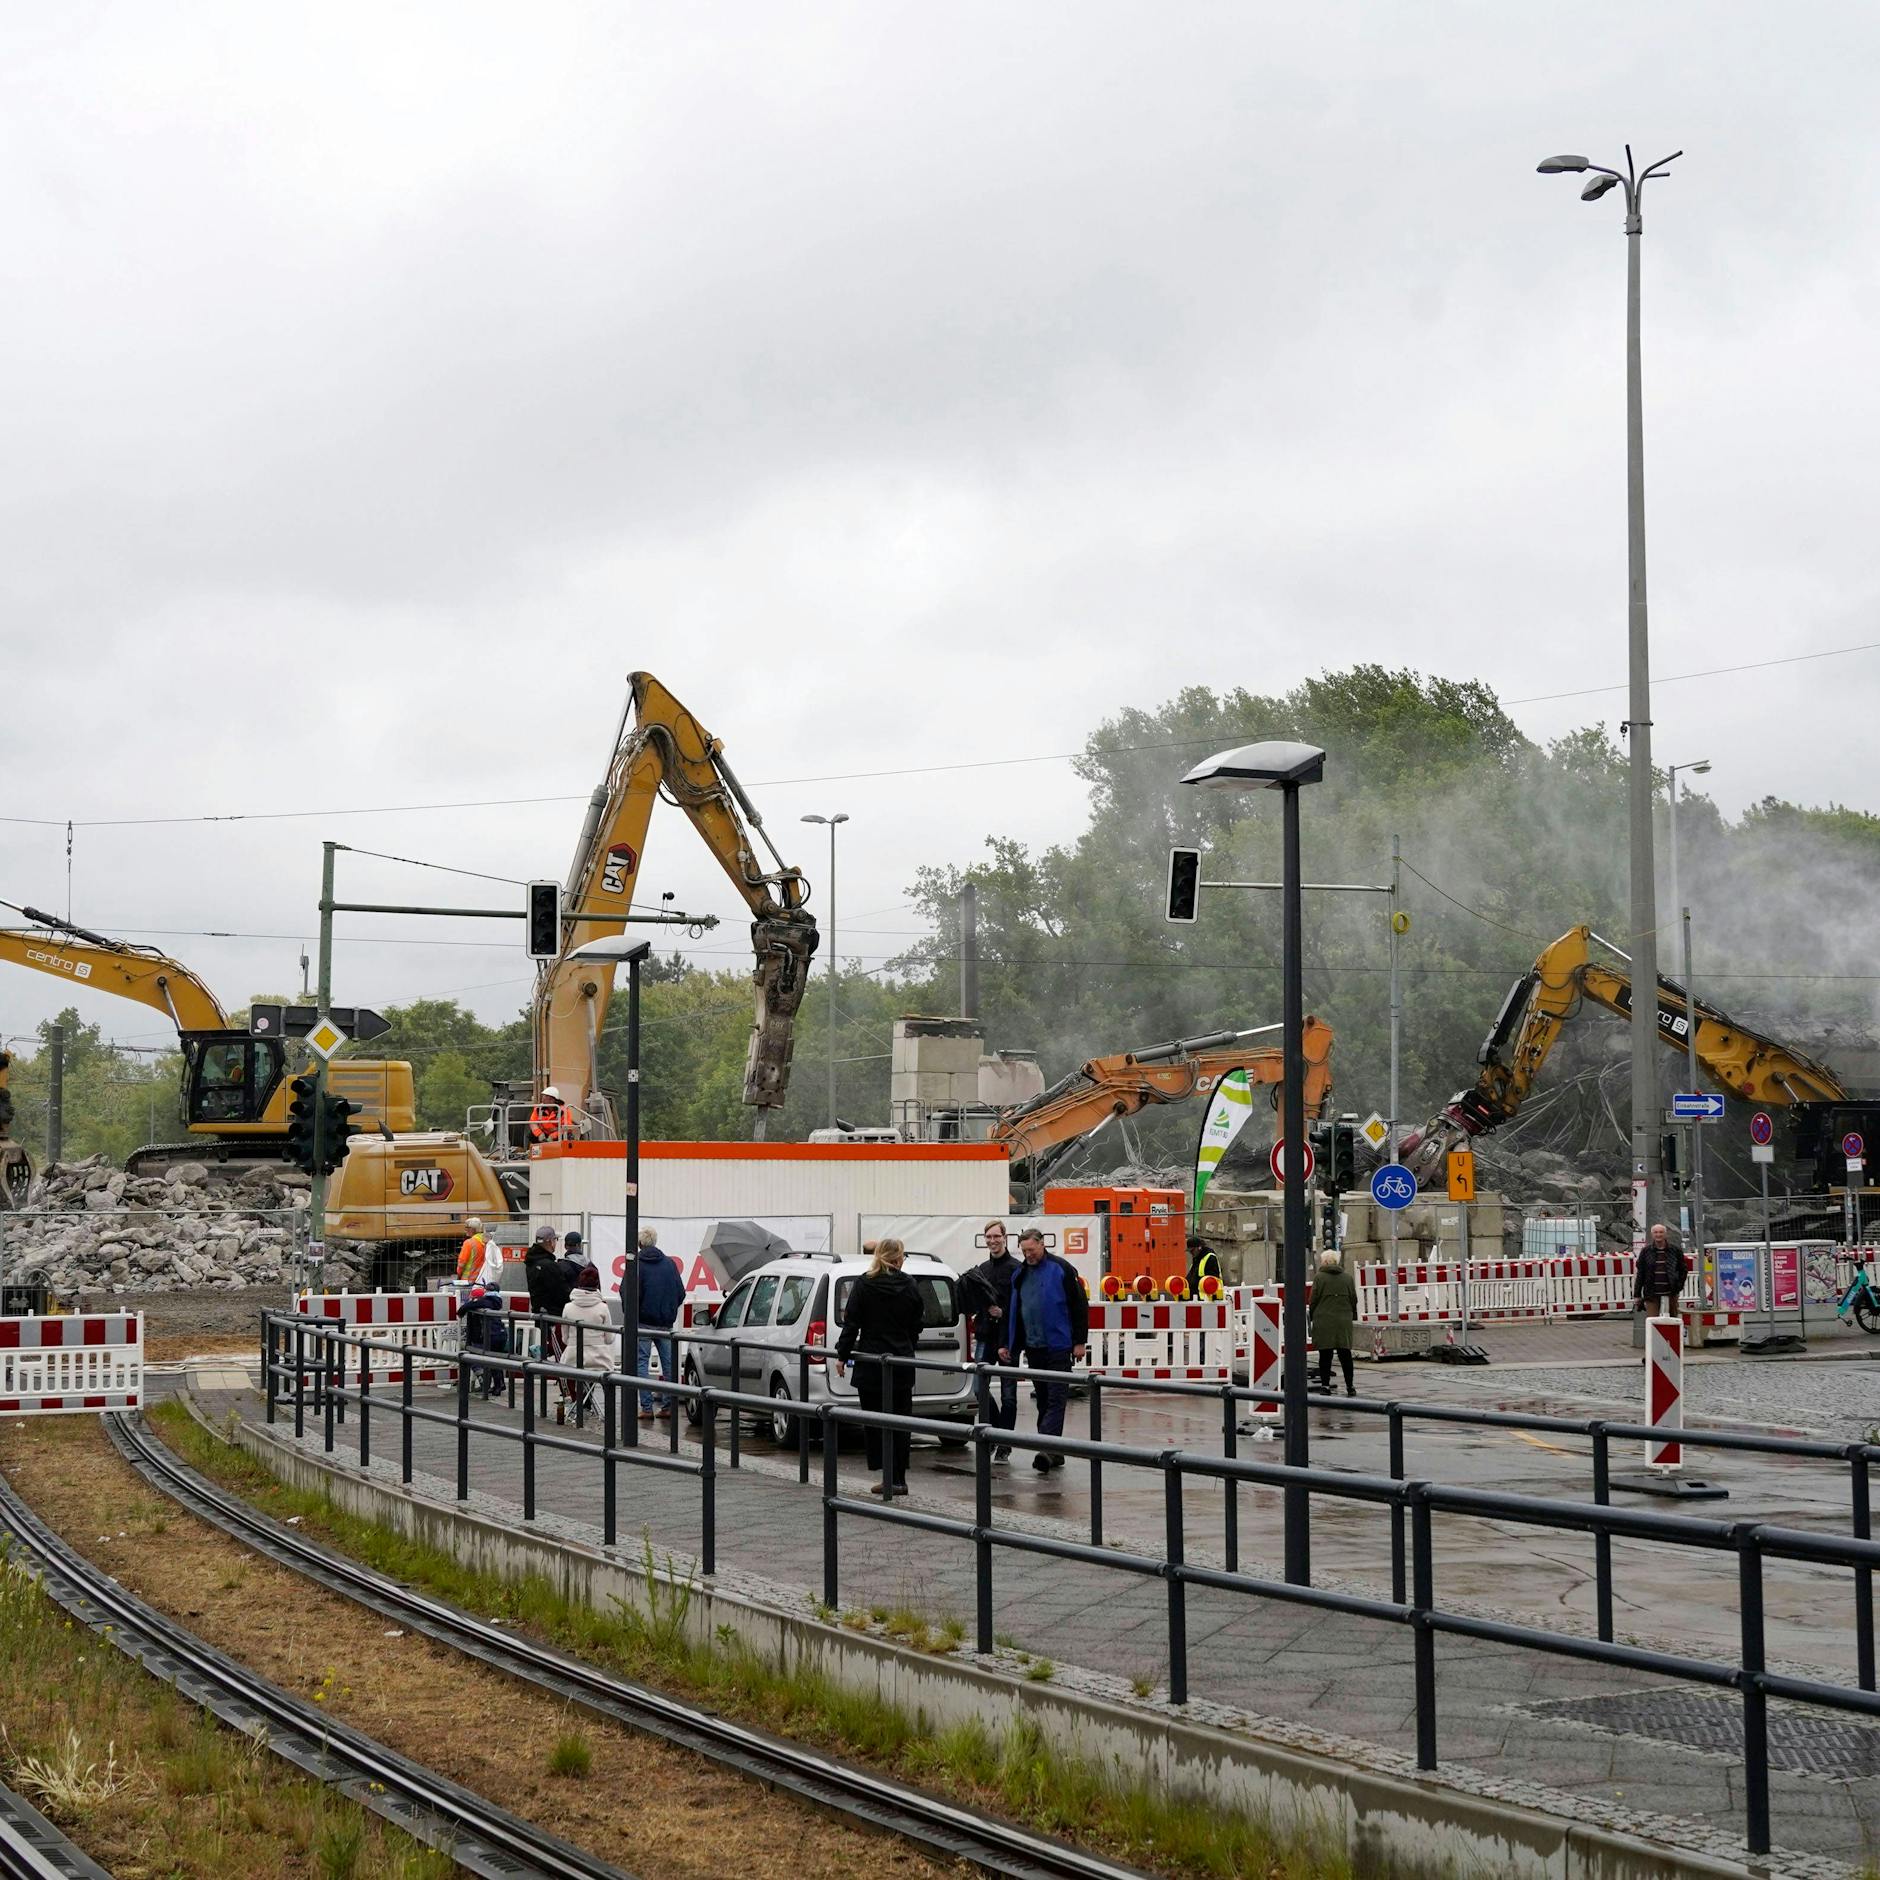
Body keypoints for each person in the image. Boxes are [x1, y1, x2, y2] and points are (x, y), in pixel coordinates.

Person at [835, 1237, 924, 1497]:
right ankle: (899, 1479)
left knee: (875, 1422)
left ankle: (886, 1475)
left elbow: (851, 1323)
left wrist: (842, 1355)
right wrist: (908, 1343)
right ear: (898, 1258)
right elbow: (918, 1322)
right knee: (900, 1420)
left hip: (872, 1362)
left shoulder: (864, 1284)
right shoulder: (910, 1285)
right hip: (901, 1362)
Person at [999, 1228, 1089, 1472]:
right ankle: (1053, 1450)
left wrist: (1079, 1341)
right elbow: (1016, 1313)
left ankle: (1045, 1449)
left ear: (1042, 1245)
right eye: (1024, 1251)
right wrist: (1009, 1344)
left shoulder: (1061, 1269)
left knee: (1056, 1400)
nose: (1028, 1255)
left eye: (1032, 1250)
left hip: (1058, 1346)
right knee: (1044, 1400)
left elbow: (1079, 1305)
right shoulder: (1020, 1274)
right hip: (1034, 1346)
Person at [960, 1219, 1020, 1461]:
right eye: (988, 1238)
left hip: (1007, 1339)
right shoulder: (982, 1269)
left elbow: (1020, 1305)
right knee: (978, 1388)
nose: (993, 1241)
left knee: (1009, 1395)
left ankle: (1005, 1443)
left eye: (996, 1237)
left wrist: (1003, 1313)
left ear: (1005, 1237)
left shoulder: (1016, 1268)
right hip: (985, 1335)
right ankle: (996, 1432)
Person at [630, 1227, 684, 1420]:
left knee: (641, 1364)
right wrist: (668, 1311)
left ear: (640, 1244)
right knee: (669, 1365)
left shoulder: (635, 1264)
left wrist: (633, 1313)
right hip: (665, 1323)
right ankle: (668, 1406)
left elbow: (627, 1292)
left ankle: (646, 1408)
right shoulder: (669, 1264)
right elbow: (680, 1292)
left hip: (642, 1322)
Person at [560, 1262, 618, 1420]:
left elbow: (564, 1338)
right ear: (597, 1284)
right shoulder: (603, 1308)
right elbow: (609, 1337)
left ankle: (576, 1404)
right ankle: (608, 1412)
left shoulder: (567, 1307)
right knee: (608, 1379)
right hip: (599, 1360)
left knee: (570, 1372)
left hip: (573, 1360)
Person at [1309, 1250, 1359, 1397]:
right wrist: (1350, 1315)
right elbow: (1353, 1299)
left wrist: (1312, 1316)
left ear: (1324, 1262)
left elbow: (1313, 1300)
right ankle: (1350, 1386)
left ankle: (1325, 1386)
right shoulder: (1348, 1278)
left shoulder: (1319, 1278)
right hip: (1343, 1320)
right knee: (1345, 1354)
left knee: (1325, 1355)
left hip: (1324, 1320)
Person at [460, 1285, 509, 1398]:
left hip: (492, 1335)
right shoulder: (496, 1302)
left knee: (491, 1361)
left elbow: (467, 1307)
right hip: (501, 1333)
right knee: (495, 1360)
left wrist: (462, 1310)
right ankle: (499, 1384)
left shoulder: (484, 1302)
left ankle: (496, 1386)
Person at [1635, 1222, 1689, 1321]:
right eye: (1656, 1232)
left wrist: (1678, 1286)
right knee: (1652, 1321)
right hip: (1651, 1293)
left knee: (1673, 1321)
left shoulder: (1675, 1250)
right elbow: (1641, 1273)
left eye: (1661, 1232)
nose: (1658, 1235)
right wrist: (1637, 1294)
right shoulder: (1646, 1251)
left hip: (1671, 1292)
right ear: (1652, 1234)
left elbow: (1683, 1270)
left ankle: (1672, 1337)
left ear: (1665, 1234)